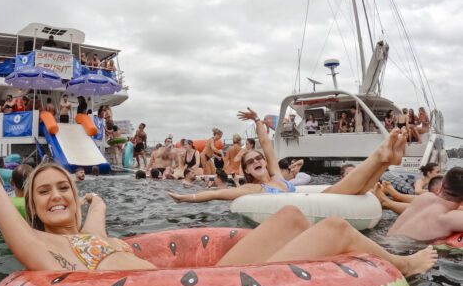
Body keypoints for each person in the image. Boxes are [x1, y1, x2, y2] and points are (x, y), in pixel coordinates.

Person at [0, 102, 436, 277]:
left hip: (198, 278)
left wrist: (93, 198)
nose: (57, 195)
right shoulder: (38, 246)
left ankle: (372, 221)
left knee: (293, 219)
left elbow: (93, 207)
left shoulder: (86, 232)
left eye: (63, 187)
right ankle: (407, 266)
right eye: (44, 193)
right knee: (338, 225)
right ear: (29, 209)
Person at [169, 109, 410, 203]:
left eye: (257, 158)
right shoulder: (253, 190)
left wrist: (256, 121)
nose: (256, 161)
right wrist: (186, 198)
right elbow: (216, 193)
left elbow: (265, 143)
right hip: (311, 205)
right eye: (250, 162)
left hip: (312, 200)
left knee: (354, 190)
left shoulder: (275, 174)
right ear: (246, 171)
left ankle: (386, 159)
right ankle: (381, 155)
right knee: (340, 191)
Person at [388, 167, 463, 241]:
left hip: (385, 241)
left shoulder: (424, 196)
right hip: (401, 251)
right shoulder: (450, 218)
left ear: (440, 187)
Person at [373, 176, 443, 216]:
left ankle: (388, 202)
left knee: (435, 204)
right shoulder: (421, 180)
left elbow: (417, 191)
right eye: (437, 171)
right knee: (435, 200)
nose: (439, 173)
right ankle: (397, 196)